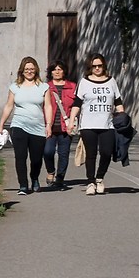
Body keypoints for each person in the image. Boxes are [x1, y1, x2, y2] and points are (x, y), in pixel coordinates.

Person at [76, 53, 122, 195]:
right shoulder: (84, 82)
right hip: (88, 124)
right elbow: (77, 103)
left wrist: (122, 117)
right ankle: (90, 182)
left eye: (99, 66)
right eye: (94, 66)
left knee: (106, 153)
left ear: (104, 66)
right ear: (90, 67)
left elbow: (118, 102)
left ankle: (99, 178)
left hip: (107, 124)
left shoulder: (111, 81)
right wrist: (72, 120)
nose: (97, 68)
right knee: (91, 154)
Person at [5, 57, 49, 196]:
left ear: (36, 70)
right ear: (22, 71)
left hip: (38, 127)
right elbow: (9, 106)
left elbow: (48, 106)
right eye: (26, 69)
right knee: (20, 156)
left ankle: (34, 178)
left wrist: (48, 125)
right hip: (19, 125)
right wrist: (1, 124)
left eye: (31, 69)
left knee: (36, 159)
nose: (29, 71)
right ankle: (23, 185)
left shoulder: (43, 87)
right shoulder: (15, 87)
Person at [44, 60, 78, 189]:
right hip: (50, 126)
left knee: (64, 154)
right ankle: (51, 171)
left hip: (66, 127)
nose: (57, 72)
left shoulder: (72, 87)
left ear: (64, 71)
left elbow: (77, 105)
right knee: (48, 152)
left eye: (60, 69)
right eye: (54, 69)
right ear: (51, 72)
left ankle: (60, 178)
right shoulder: (46, 87)